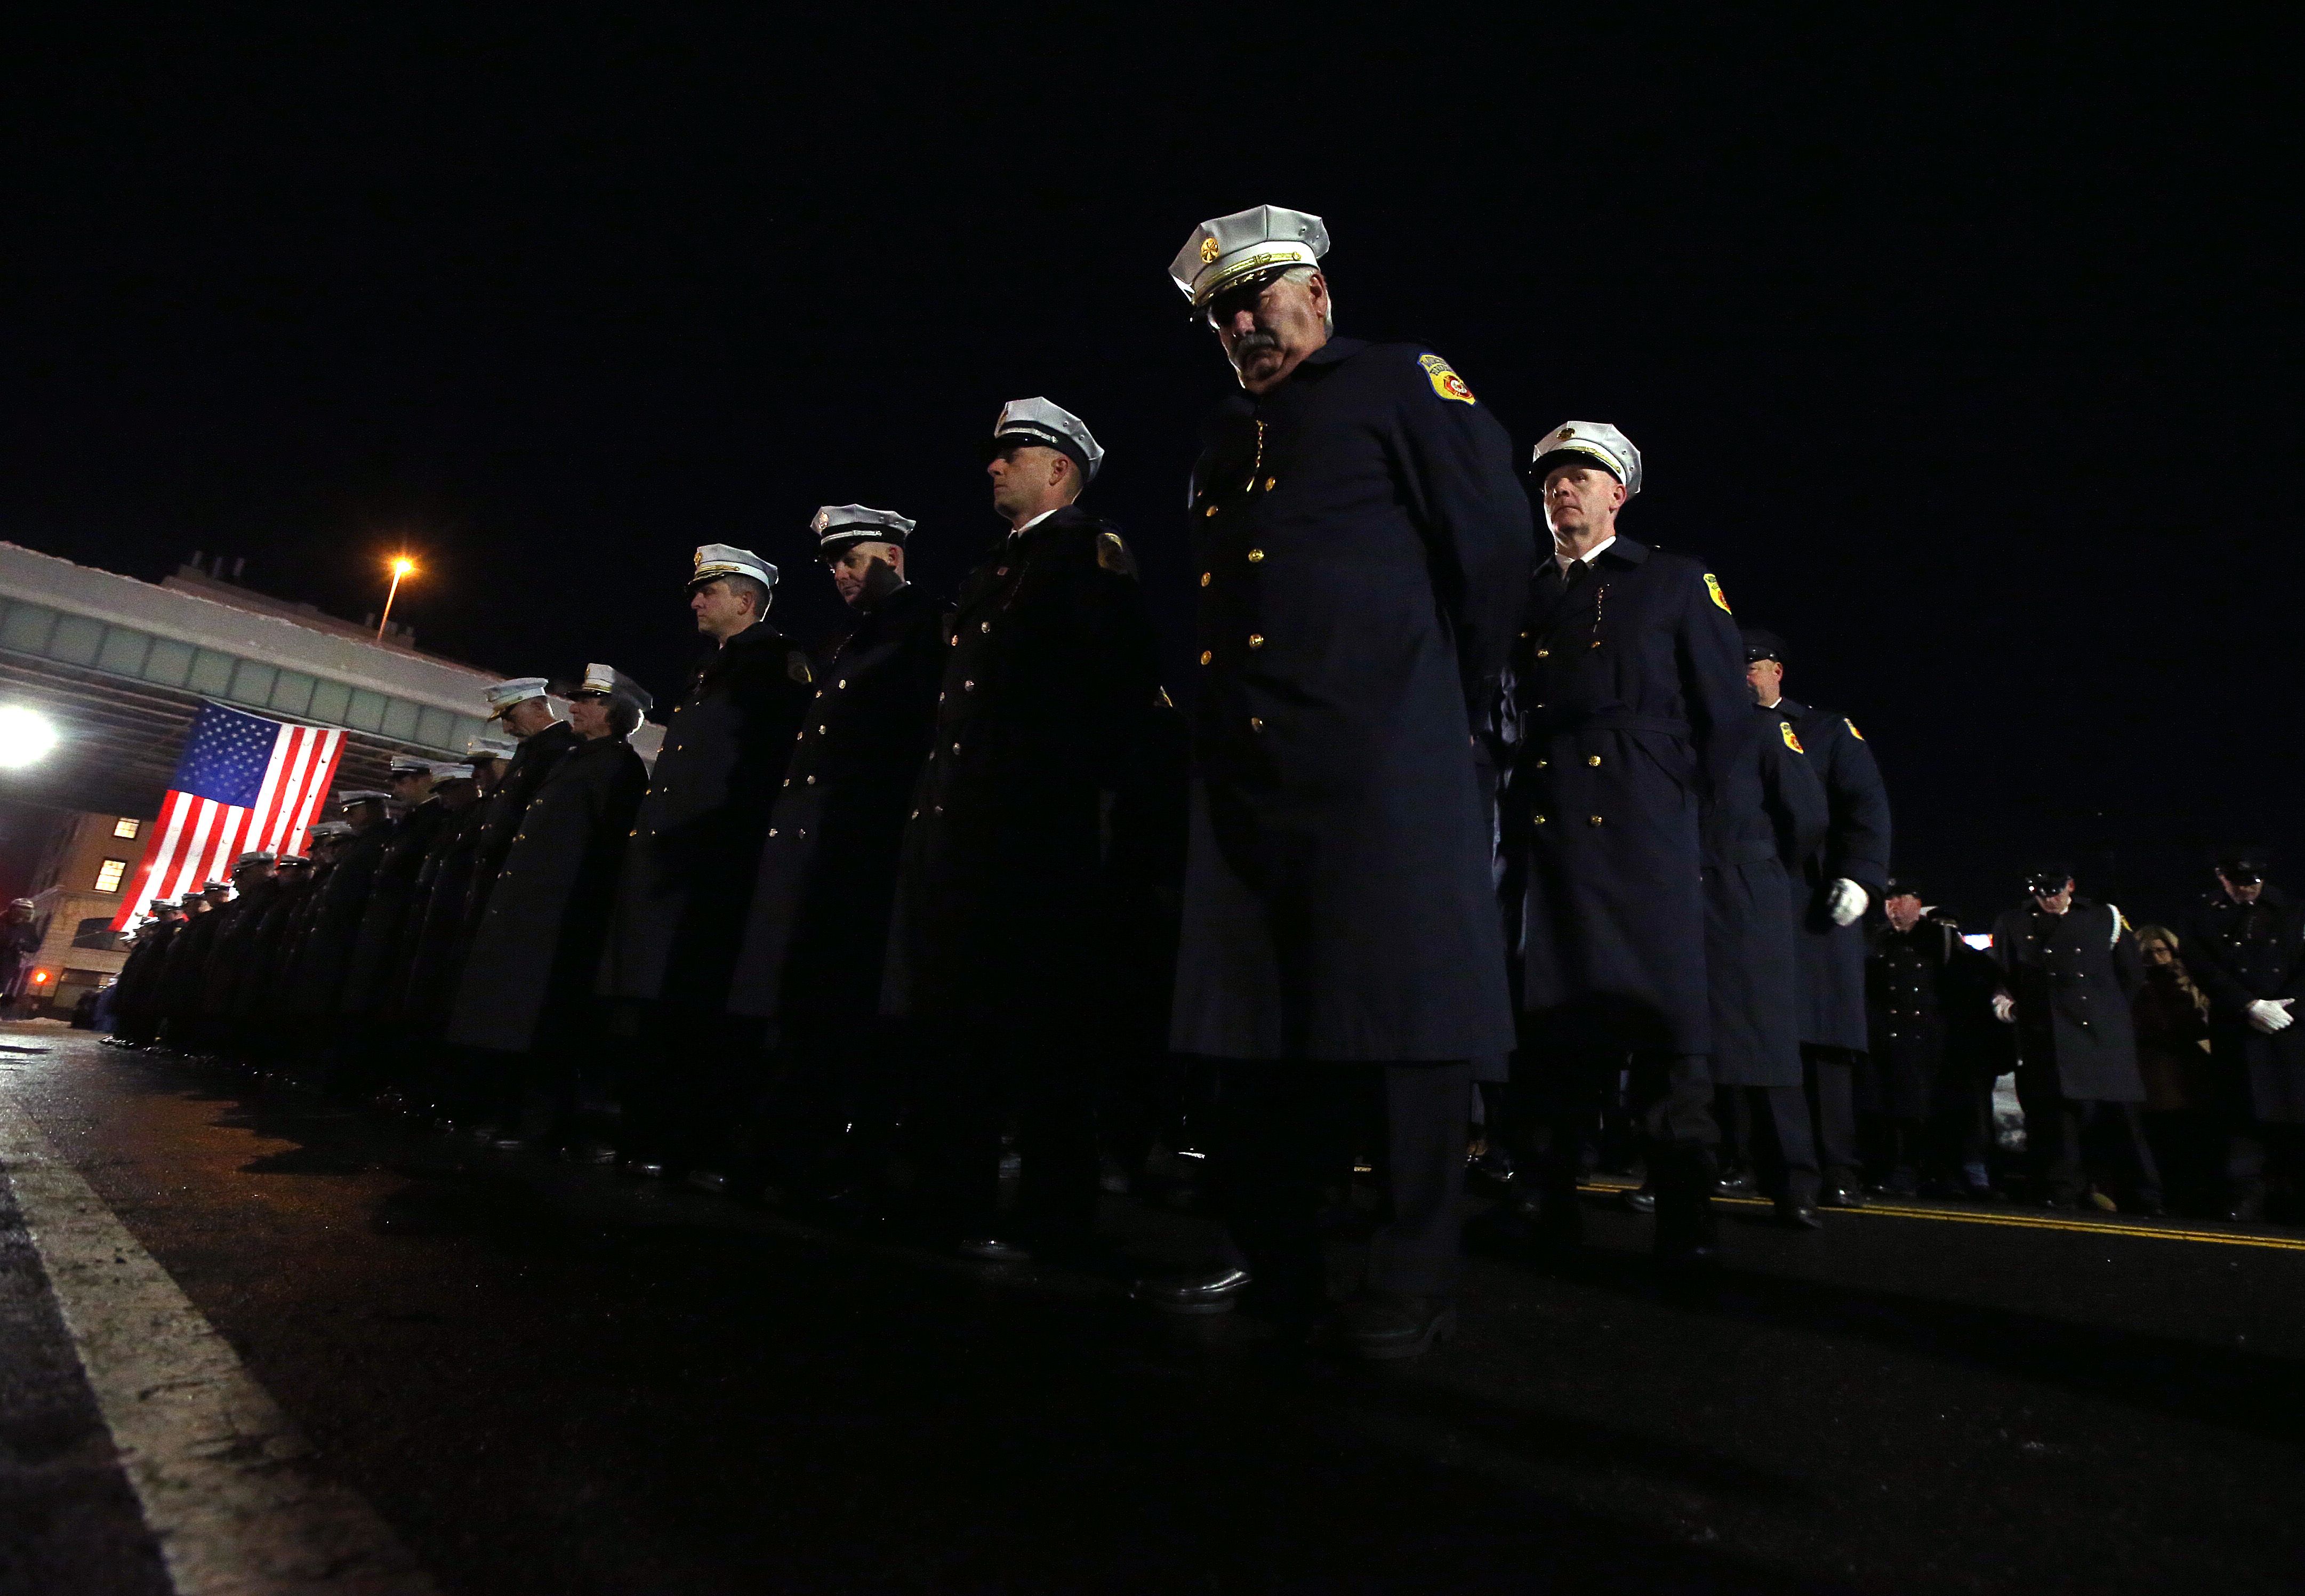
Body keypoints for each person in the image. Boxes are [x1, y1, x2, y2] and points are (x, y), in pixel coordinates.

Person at [1138, 205, 1527, 1356]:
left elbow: (1493, 548)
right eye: (1220, 311)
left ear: (1316, 291)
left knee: (1408, 1011)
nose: (1242, 320)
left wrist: (1428, 696)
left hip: (1383, 750)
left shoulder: (1400, 380)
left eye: (1258, 294)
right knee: (1257, 1010)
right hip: (1254, 767)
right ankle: (1274, 1247)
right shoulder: (1225, 432)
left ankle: (1411, 1270)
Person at [884, 397, 1178, 1263]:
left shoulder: (1087, 555)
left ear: (1060, 469)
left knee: (1047, 1036)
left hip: (1037, 839)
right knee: (960, 1024)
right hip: (969, 833)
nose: (992, 465)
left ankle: (1051, 1213)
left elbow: (1113, 696)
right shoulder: (994, 571)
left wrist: (1088, 828)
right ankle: (953, 1192)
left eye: (1011, 453)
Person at [1500, 420, 1747, 1278]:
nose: (1561, 488)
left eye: (1581, 475)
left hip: (1646, 828)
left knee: (1666, 1028)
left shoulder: (1673, 582)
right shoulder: (1526, 594)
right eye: (1550, 479)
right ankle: (1548, 1193)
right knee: (1552, 1028)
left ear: (1619, 493)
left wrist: (1698, 836)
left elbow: (1726, 724)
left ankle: (1684, 1206)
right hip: (1549, 828)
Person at [729, 505, 945, 1205]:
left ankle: (840, 1160)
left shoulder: (922, 628)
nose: (842, 574)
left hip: (869, 842)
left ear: (894, 555)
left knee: (850, 1004)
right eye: (833, 563)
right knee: (811, 999)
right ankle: (793, 1153)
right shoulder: (853, 638)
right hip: (826, 840)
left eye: (854, 559)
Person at [597, 544, 813, 1184]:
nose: (695, 601)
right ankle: (651, 1130)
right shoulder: (710, 668)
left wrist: (730, 843)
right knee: (661, 1000)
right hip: (679, 858)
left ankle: (695, 1142)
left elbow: (769, 766)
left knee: (703, 1003)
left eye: (707, 592)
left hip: (721, 859)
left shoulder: (775, 663)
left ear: (745, 601)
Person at [452, 664, 652, 1151]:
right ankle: (512, 1114)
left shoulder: (619, 766)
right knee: (517, 1019)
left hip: (565, 914)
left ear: (613, 712)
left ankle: (540, 1124)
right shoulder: (576, 758)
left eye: (587, 700)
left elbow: (608, 849)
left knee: (548, 1025)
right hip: (532, 910)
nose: (574, 707)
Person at [1745, 627, 1892, 1208]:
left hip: (1814, 903)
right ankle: (1768, 1164)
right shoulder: (1722, 730)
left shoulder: (1827, 730)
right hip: (1750, 902)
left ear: (1777, 669)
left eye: (1752, 666)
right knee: (1759, 1038)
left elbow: (1866, 805)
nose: (1742, 678)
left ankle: (1837, 1164)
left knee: (1824, 1043)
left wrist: (1861, 876)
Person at [1706, 697, 1831, 1225]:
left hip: (1746, 886)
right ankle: (1679, 1172)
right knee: (1686, 1041)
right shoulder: (1678, 726)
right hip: (1686, 887)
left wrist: (1760, 863)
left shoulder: (1762, 728)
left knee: (1767, 1036)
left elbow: (1807, 813)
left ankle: (1793, 1181)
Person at [1991, 866, 2162, 1212]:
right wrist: (2008, 1004)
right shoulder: (2013, 922)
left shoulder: (2104, 917)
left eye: (2054, 890)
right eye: (2039, 891)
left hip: (2102, 1034)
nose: (2047, 898)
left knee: (2121, 1121)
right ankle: (2062, 1191)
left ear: (2070, 886)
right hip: (2049, 1035)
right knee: (2057, 1124)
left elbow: (2130, 974)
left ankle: (2143, 1196)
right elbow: (2005, 973)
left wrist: (2107, 1013)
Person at [2180, 849, 2305, 1221]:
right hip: (2239, 1024)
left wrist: (2289, 1009)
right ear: (2222, 877)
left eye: (2253, 882)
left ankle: (2293, 1197)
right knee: (2242, 1116)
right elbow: (2202, 965)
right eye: (2237, 882)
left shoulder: (2293, 909)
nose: (2246, 889)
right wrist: (2248, 1005)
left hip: (2290, 1025)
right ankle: (2245, 1195)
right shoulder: (2202, 913)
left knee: (2296, 1116)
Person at [1866, 879, 2010, 1197]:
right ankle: (1904, 1170)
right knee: (1896, 1111)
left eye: (1900, 897)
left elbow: (1977, 974)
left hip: (1934, 1042)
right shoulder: (1877, 939)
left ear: (1917, 902)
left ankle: (1941, 1172)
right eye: (1888, 899)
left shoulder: (1940, 938)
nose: (1893, 906)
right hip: (1891, 1040)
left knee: (1934, 1110)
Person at [462, 680, 580, 943]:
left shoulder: (561, 749)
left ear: (538, 706)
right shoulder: (533, 749)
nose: (507, 728)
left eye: (511, 717)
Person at [2130, 923, 2215, 1213]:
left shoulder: (2191, 982)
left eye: (2160, 951)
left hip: (2192, 1070)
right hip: (2156, 1075)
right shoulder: (2136, 986)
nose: (2154, 958)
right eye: (2146, 953)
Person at [1, 899, 43, 1017]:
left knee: (2, 986)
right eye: (19, 914)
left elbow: (35, 945)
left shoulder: (28, 927)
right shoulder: (2, 922)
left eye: (26, 915)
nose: (21, 918)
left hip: (9, 962)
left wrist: (22, 944)